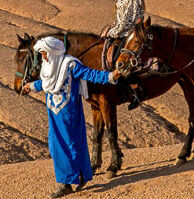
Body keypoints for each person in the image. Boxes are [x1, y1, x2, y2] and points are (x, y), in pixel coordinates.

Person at [22, 36, 123, 198]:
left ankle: (66, 184)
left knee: (68, 145)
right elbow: (46, 82)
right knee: (58, 145)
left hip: (69, 113)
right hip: (54, 113)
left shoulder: (70, 64)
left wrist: (110, 77)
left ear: (53, 52)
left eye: (44, 53)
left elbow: (90, 74)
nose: (43, 56)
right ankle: (80, 175)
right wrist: (31, 86)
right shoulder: (49, 67)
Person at [99, 0, 146, 109]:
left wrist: (113, 32)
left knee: (119, 60)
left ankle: (136, 90)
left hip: (129, 32)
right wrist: (110, 29)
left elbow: (128, 19)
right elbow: (120, 18)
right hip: (120, 29)